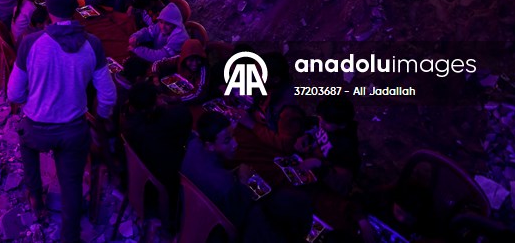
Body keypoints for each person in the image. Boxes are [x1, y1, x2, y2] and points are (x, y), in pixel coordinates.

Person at [8, 0, 117, 243]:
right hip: (73, 131)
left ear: (48, 10)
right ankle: (70, 235)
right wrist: (101, 118)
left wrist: (29, 104)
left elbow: (14, 93)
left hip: (37, 128)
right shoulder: (93, 44)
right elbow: (108, 95)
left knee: (26, 141)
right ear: (75, 9)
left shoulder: (30, 42)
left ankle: (36, 197)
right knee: (71, 183)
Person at [182, 112, 314, 242]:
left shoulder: (191, 144)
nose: (235, 144)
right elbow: (239, 217)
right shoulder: (226, 186)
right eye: (227, 141)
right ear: (209, 145)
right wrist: (243, 182)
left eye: (233, 136)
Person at [122, 81, 193, 193]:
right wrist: (173, 101)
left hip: (139, 172)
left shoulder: (129, 122)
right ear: (155, 104)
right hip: (166, 179)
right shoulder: (169, 121)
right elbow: (185, 116)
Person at [296, 96, 361, 195]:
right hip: (311, 169)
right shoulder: (327, 121)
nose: (321, 123)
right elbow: (317, 128)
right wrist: (308, 136)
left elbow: (341, 184)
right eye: (320, 118)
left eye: (326, 122)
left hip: (325, 187)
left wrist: (318, 164)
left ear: (342, 125)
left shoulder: (346, 147)